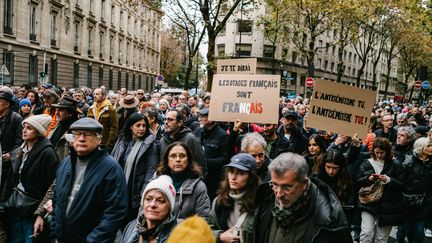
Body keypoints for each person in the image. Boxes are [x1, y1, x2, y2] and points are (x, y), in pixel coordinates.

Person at [52, 118, 128, 242]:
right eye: (77, 134)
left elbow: (115, 211)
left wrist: (94, 240)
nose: (81, 138)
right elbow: (57, 199)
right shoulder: (66, 163)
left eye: (87, 134)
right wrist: (55, 228)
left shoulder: (111, 168)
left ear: (99, 139)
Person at [255, 152, 352, 243]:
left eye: (287, 187)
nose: (279, 194)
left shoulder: (329, 219)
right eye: (275, 185)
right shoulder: (264, 200)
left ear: (304, 184)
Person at [6, 114, 58, 243]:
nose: (24, 130)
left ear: (38, 132)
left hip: (33, 208)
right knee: (15, 239)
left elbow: (53, 184)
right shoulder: (21, 150)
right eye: (24, 127)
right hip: (16, 204)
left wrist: (40, 213)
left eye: (29, 128)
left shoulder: (48, 153)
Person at [111, 112, 159, 222]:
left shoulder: (149, 144)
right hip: (119, 188)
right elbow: (113, 160)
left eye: (144, 125)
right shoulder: (122, 140)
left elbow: (150, 171)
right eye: (138, 125)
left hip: (135, 192)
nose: (141, 128)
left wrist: (143, 195)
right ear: (131, 127)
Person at [356, 137, 404, 243]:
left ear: (387, 151)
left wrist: (388, 180)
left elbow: (402, 184)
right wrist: (368, 179)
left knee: (381, 238)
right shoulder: (367, 162)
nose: (379, 155)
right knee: (366, 233)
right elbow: (358, 181)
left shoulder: (395, 164)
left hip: (388, 205)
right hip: (368, 203)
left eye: (381, 152)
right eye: (376, 152)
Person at [208, 153, 259, 243]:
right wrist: (220, 236)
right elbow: (208, 228)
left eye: (240, 173)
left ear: (250, 177)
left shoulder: (259, 204)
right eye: (231, 171)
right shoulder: (219, 201)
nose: (233, 177)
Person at [156, 142, 210, 221]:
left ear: (188, 160)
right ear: (167, 160)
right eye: (173, 156)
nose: (178, 160)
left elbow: (203, 220)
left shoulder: (199, 187)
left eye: (182, 156)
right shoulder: (156, 183)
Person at [122, 175, 177, 243]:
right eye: (148, 199)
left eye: (160, 201)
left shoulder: (179, 235)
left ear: (169, 207)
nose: (152, 205)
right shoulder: (130, 227)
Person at [0, 90, 23, 241]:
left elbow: (20, 141)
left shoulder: (16, 118)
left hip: (8, 165)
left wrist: (11, 154)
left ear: (6, 104)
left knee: (5, 195)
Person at [401, 137, 432, 243]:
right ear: (420, 148)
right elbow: (402, 180)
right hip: (408, 203)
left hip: (425, 204)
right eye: (428, 146)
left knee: (419, 232)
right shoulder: (409, 162)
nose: (431, 148)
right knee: (409, 232)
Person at [311, 148, 355, 222]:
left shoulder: (347, 180)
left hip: (339, 219)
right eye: (328, 167)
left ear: (341, 167)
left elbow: (350, 203)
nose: (331, 171)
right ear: (323, 164)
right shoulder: (316, 178)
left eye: (335, 168)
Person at [194, 108, 228, 200]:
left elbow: (225, 159)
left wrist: (205, 162)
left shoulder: (222, 135)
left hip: (213, 180)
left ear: (211, 119)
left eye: (202, 117)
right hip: (197, 176)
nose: (199, 119)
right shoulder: (198, 131)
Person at [160, 109, 206, 174]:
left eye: (170, 120)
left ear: (179, 123)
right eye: (165, 119)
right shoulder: (163, 139)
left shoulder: (190, 139)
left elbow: (201, 164)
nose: (166, 122)